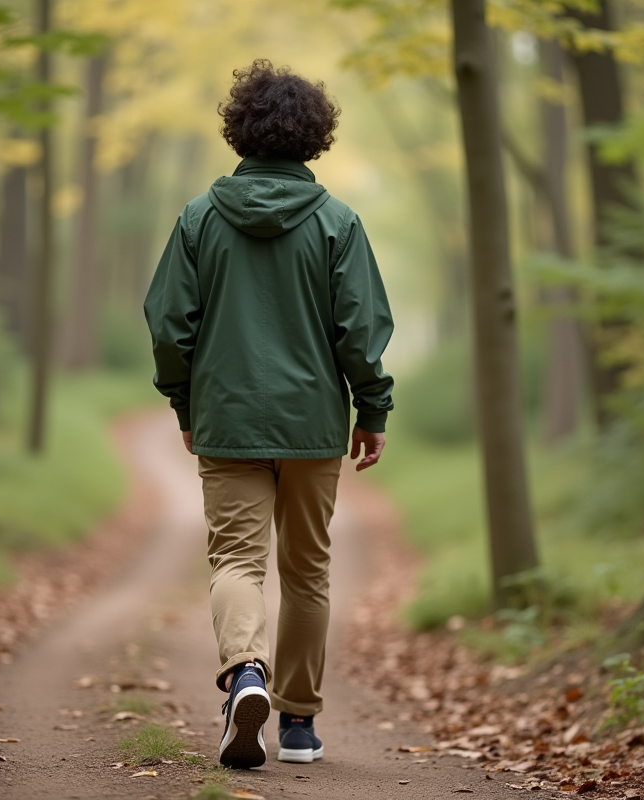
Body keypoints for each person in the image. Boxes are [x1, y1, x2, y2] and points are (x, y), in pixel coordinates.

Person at [143, 59, 395, 770]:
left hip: (227, 418)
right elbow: (362, 329)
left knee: (237, 560)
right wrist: (372, 409)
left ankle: (244, 673)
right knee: (308, 570)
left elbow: (168, 325)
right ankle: (300, 727)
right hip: (313, 425)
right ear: (314, 137)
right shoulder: (339, 223)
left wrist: (185, 401)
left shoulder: (198, 219)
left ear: (239, 130)